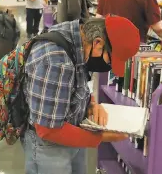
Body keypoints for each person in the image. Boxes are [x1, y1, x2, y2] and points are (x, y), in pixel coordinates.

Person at [23, 16, 140, 174]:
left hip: (73, 132)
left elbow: (78, 81)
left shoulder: (81, 39)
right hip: (49, 146)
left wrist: (92, 104)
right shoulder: (56, 62)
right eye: (110, 60)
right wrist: (102, 137)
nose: (109, 66)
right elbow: (46, 129)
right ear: (98, 42)